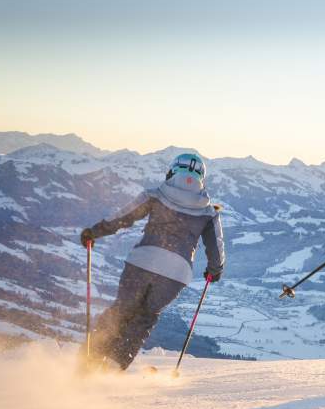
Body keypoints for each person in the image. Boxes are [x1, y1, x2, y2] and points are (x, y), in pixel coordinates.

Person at [80, 153, 225, 370]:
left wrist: (94, 232)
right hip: (176, 273)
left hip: (142, 262)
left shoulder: (154, 196)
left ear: (172, 171)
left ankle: (89, 361)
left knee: (121, 310)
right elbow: (217, 248)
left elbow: (123, 216)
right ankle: (114, 366)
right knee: (145, 318)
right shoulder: (208, 212)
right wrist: (215, 270)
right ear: (201, 178)